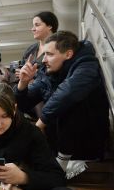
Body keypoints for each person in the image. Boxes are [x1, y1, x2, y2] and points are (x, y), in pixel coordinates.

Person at [15, 30, 110, 178]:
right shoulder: (48, 73)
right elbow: (22, 104)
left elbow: (68, 91)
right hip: (59, 143)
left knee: (68, 100)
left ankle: (65, 161)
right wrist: (23, 84)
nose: (44, 60)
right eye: (44, 54)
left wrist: (41, 123)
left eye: (50, 54)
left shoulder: (87, 64)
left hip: (88, 143)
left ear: (68, 54)